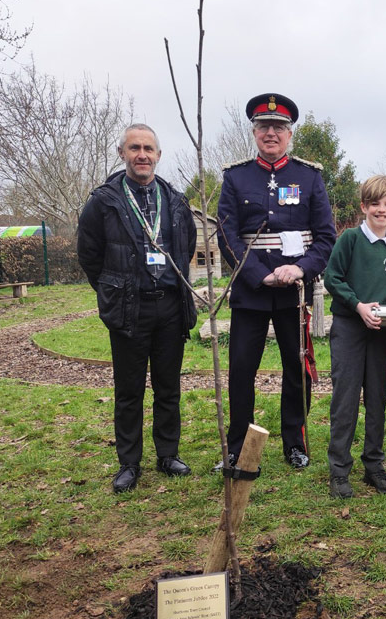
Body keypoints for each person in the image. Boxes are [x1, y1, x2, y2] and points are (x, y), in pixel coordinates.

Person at [216, 93, 336, 469]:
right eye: (264, 127)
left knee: (296, 370)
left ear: (289, 134)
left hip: (294, 292)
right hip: (251, 290)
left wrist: (300, 269)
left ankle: (295, 443)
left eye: (279, 127)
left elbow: (326, 237)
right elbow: (226, 234)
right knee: (241, 371)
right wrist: (259, 274)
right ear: (254, 132)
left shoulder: (309, 176)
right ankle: (237, 448)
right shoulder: (236, 177)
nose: (271, 133)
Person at [77, 123, 198, 494]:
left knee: (168, 387)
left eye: (148, 148)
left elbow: (188, 247)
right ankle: (129, 463)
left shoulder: (175, 201)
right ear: (122, 153)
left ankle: (168, 454)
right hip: (130, 311)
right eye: (134, 148)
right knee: (129, 390)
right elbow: (90, 255)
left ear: (158, 155)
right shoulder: (104, 201)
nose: (142, 154)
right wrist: (115, 290)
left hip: (170, 308)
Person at [323, 175, 386, 498]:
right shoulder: (350, 240)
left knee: (376, 400)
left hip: (379, 334)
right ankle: (339, 471)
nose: (381, 210)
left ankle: (374, 465)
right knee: (345, 401)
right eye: (375, 204)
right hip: (349, 329)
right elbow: (333, 278)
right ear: (364, 207)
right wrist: (358, 306)